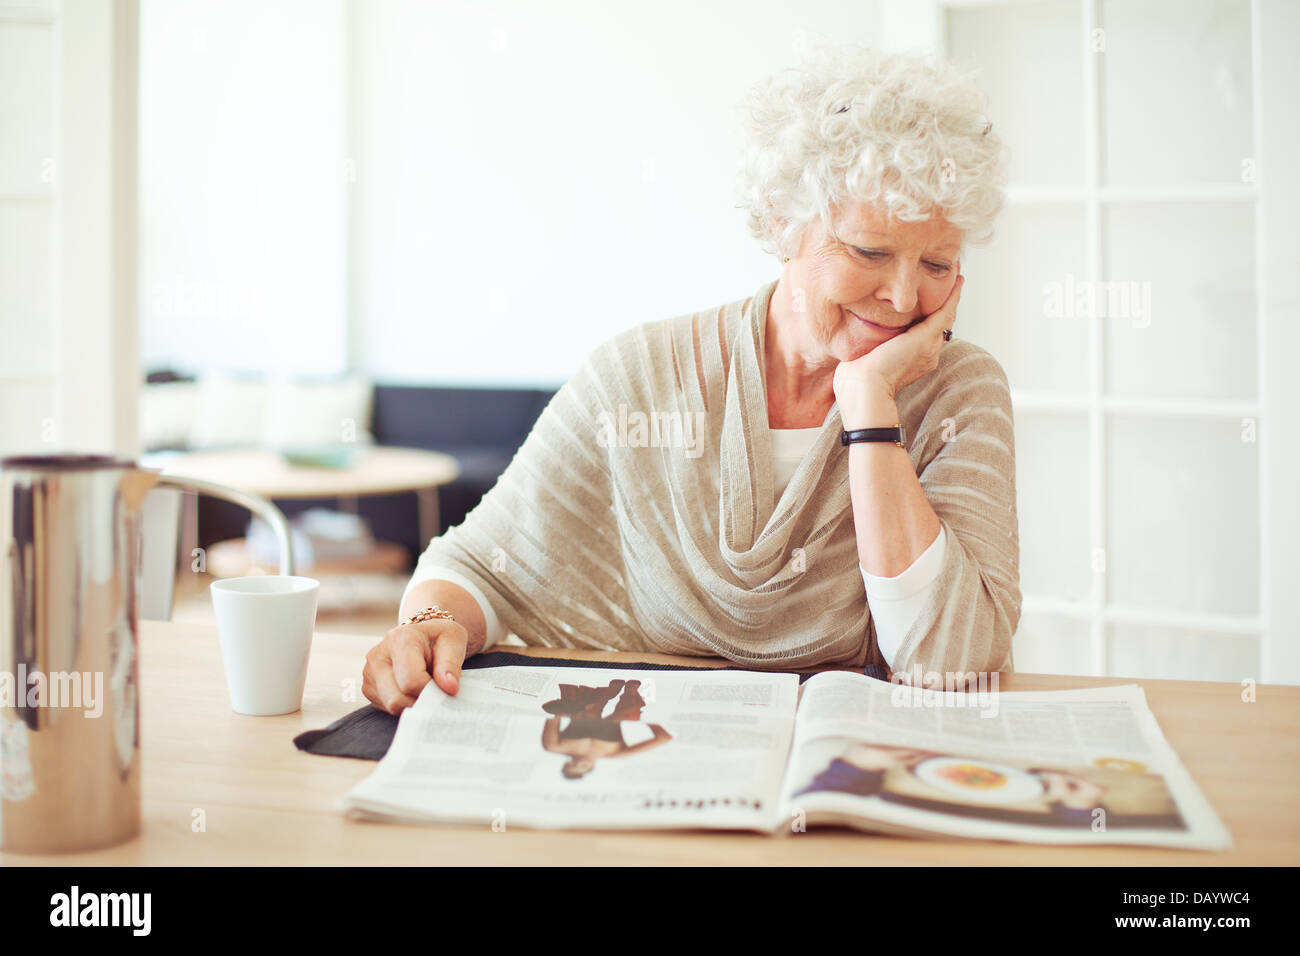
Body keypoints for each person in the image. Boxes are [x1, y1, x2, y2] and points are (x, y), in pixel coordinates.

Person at [362, 42, 1020, 716]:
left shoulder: (960, 391)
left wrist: (869, 404)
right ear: (781, 220)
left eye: (938, 265)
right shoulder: (640, 376)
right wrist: (429, 627)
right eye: (869, 251)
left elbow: (948, 662)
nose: (905, 298)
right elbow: (479, 565)